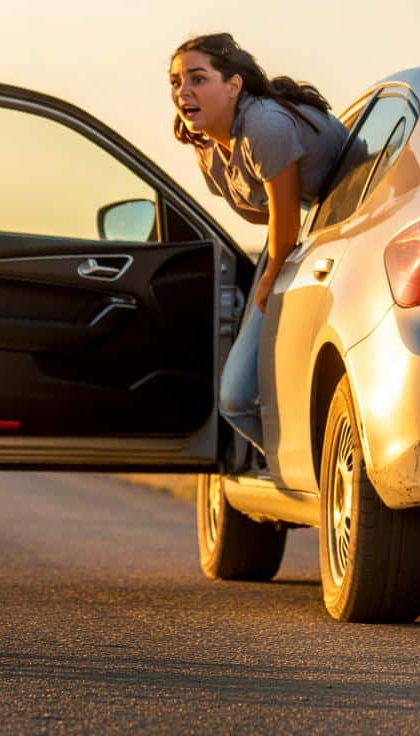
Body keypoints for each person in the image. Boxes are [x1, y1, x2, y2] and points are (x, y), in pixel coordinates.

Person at [168, 32, 348, 463]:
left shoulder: (264, 125)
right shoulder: (207, 146)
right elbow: (264, 214)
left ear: (234, 85)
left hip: (339, 231)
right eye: (176, 82)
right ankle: (315, 475)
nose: (183, 92)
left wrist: (268, 279)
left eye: (197, 78)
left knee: (236, 396)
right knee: (239, 398)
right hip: (300, 233)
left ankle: (313, 475)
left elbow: (282, 219)